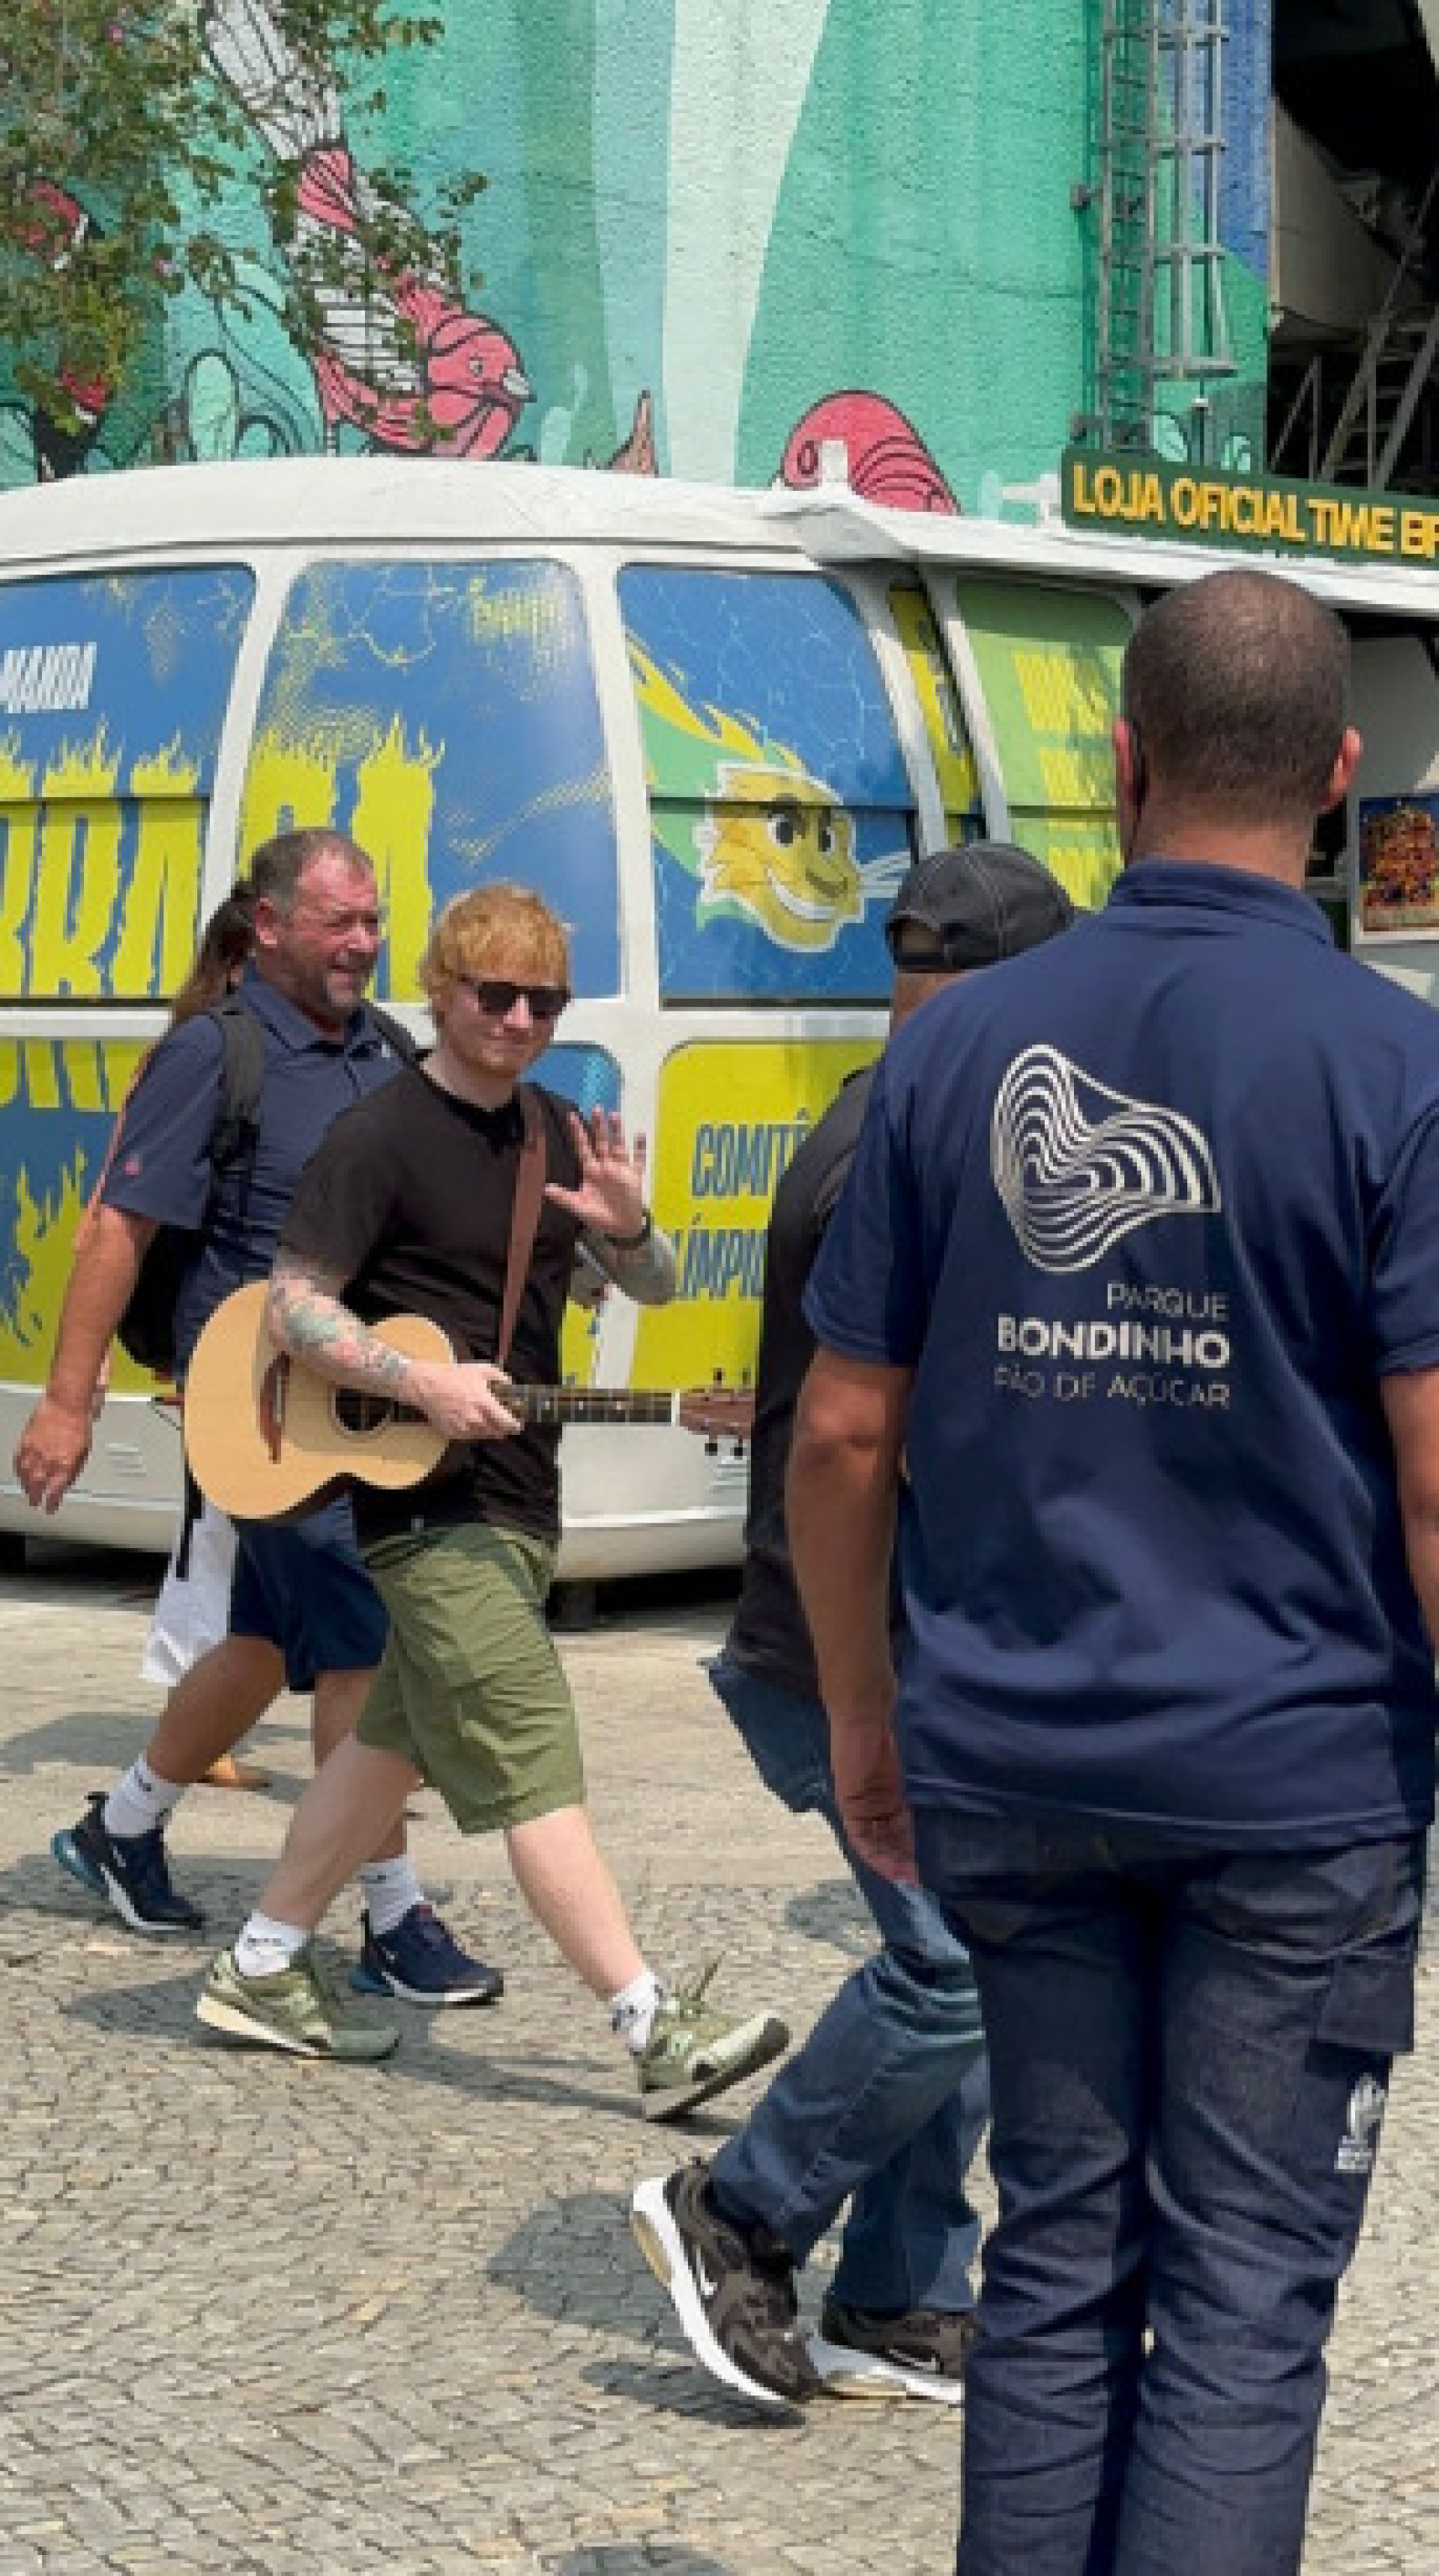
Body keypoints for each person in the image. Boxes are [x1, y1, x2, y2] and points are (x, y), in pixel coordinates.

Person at [787, 567, 1439, 2576]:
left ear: (1122, 758)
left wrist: (861, 1713)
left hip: (1015, 1759)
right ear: (1339, 777)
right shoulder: (1396, 1065)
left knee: (1061, 2257)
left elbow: (837, 1432)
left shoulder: (956, 1051)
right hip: (1299, 1789)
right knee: (1243, 2299)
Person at [190, 880, 793, 2114]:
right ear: (443, 988)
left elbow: (660, 1284)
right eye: (494, 993)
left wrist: (630, 1234)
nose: (520, 1018)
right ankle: (650, 2021)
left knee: (385, 1747)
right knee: (533, 1749)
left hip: (520, 1498)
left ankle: (258, 1964)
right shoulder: (378, 1135)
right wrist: (416, 1376)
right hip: (424, 1509)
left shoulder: (561, 1134)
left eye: (544, 1000)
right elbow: (296, 1305)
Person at [632, 843, 1074, 2408]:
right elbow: (848, 1444)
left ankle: (900, 2294)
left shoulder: (886, 1115)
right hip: (831, 1646)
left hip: (883, 1636)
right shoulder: (914, 1148)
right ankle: (739, 2210)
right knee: (949, 1973)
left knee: (971, 1977)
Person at [15, 829, 500, 2004]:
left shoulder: (384, 1051)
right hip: (254, 1408)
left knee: (266, 1639)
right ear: (271, 924)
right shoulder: (213, 1053)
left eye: (376, 920)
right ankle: (392, 1916)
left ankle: (120, 1828)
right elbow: (114, 1231)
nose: (364, 944)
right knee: (364, 1640)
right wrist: (67, 1406)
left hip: (354, 1404)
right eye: (341, 921)